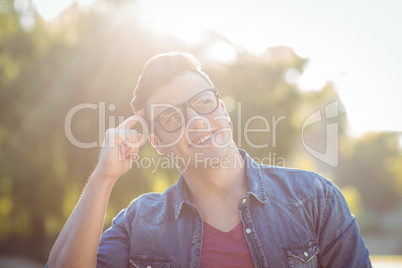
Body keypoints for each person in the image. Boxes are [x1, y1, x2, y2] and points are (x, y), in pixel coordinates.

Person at [47, 52, 371, 267]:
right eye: (173, 117)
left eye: (203, 101)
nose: (198, 121)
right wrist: (104, 177)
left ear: (222, 107)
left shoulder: (316, 199)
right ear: (158, 142)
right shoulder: (139, 223)